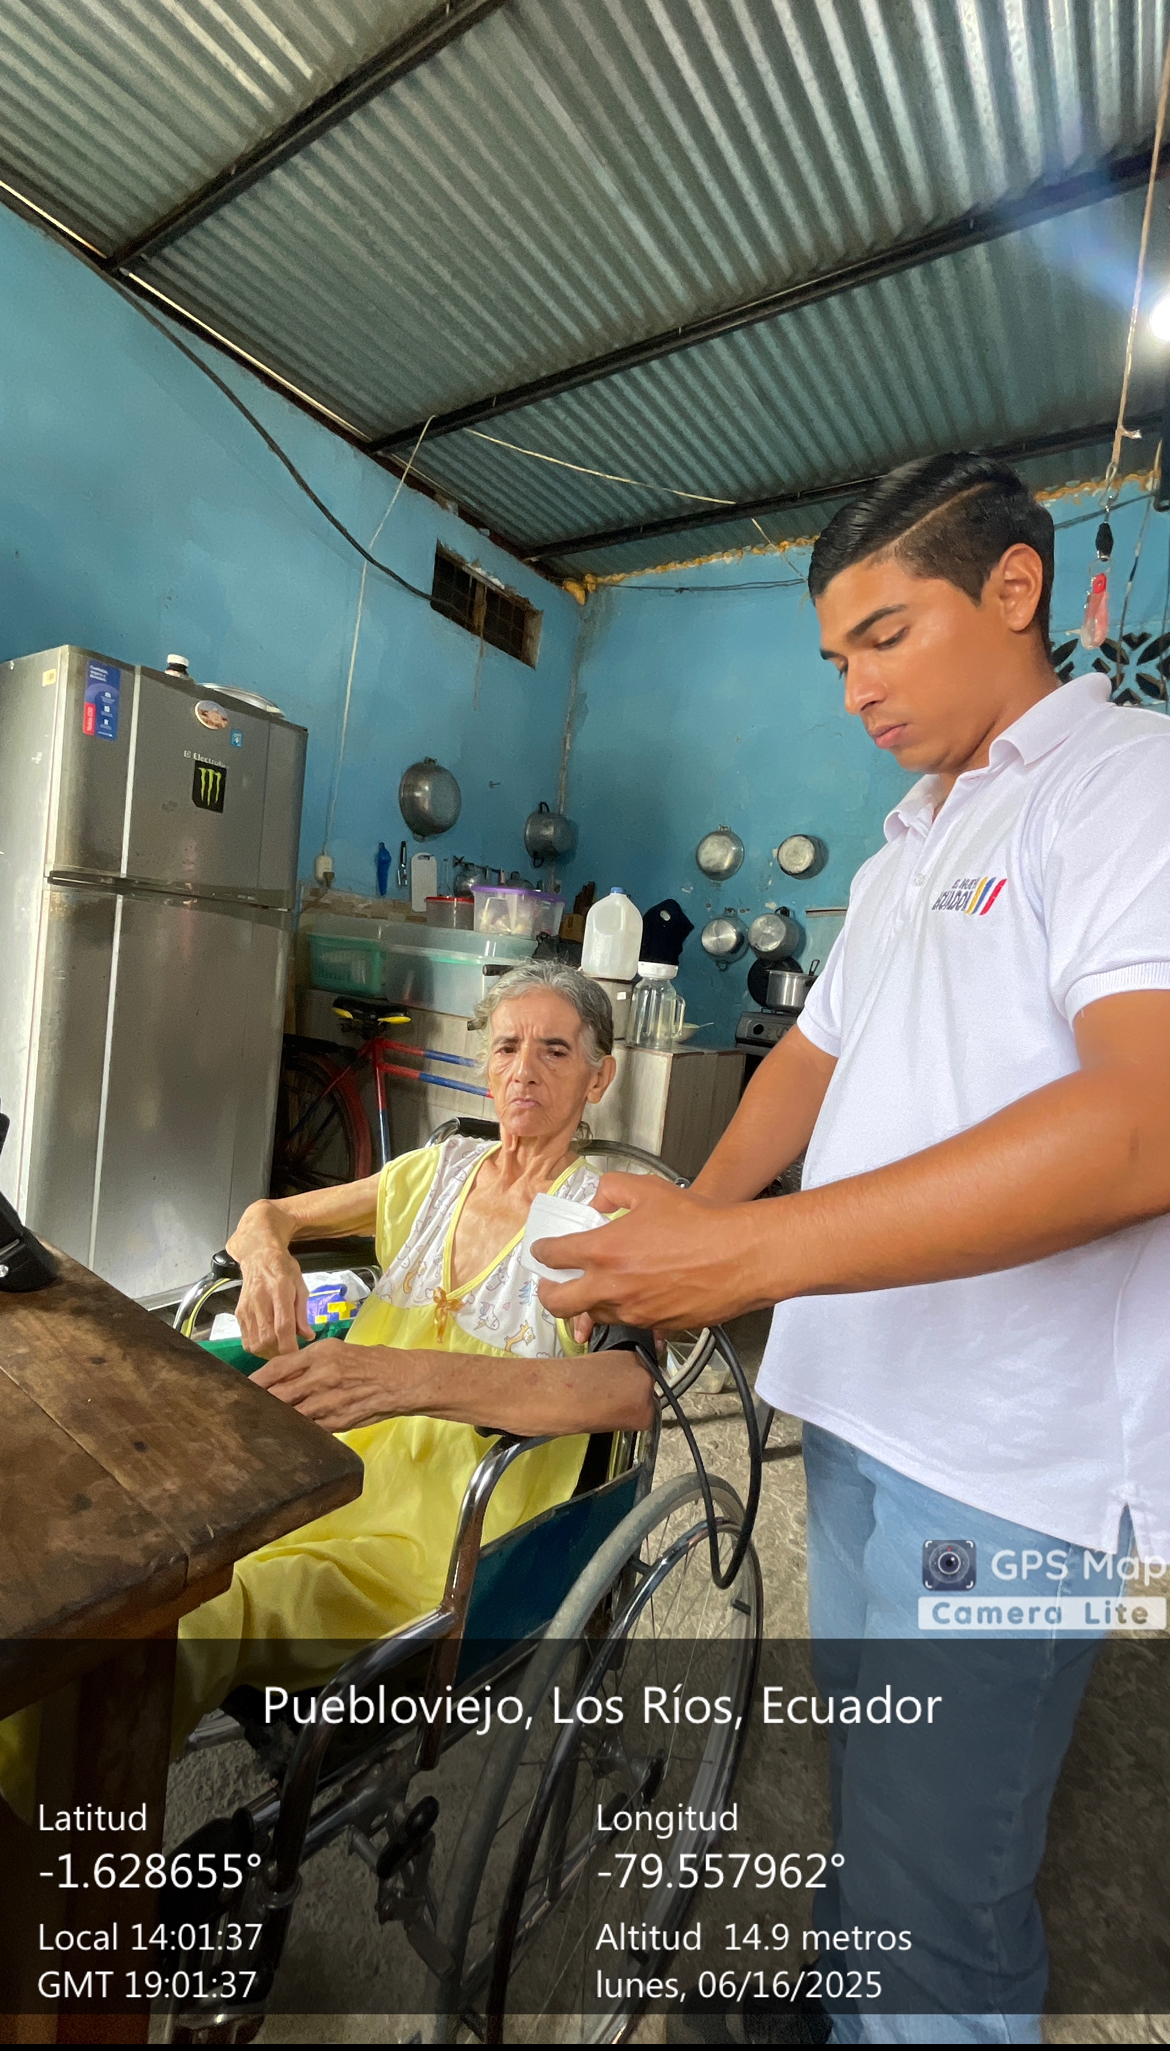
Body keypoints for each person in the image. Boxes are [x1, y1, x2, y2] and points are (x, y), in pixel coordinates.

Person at [535, 454, 1170, 2043]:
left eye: (883, 636)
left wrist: (744, 1260)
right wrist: (688, 1217)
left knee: (948, 1868)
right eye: (834, 658)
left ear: (1013, 588)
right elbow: (807, 1065)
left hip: (1005, 1455)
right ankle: (843, 1993)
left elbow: (1140, 1124)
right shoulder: (899, 851)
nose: (853, 690)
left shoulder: (1126, 786)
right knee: (872, 1751)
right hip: (858, 1397)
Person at [171, 961, 654, 1746]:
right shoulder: (434, 1173)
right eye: (507, 1046)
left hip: (435, 1536)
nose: (524, 1069)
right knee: (159, 1557)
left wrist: (403, 1376)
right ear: (484, 1065)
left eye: (556, 1050)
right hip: (324, 1471)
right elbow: (267, 1215)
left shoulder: (600, 1216)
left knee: (209, 1609)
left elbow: (628, 1390)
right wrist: (267, 1263)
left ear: (599, 1078)